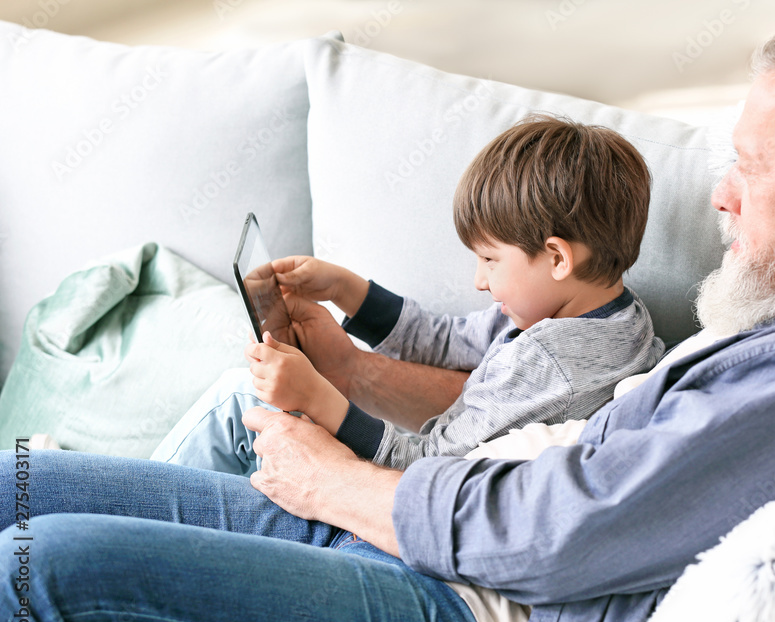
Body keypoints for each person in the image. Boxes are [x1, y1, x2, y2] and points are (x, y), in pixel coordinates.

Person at [0, 19, 775, 622]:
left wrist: (331, 476)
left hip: (468, 610)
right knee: (16, 486)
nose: (720, 192)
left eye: (751, 167)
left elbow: (559, 533)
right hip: (422, 530)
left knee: (33, 571)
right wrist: (341, 398)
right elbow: (482, 378)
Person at [150, 115, 664, 474]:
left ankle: (106, 514)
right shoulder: (614, 316)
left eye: (489, 260)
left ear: (556, 258)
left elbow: (423, 467)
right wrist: (350, 291)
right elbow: (450, 339)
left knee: (240, 396)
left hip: (395, 499)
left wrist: (317, 398)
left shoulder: (547, 363)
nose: (479, 282)